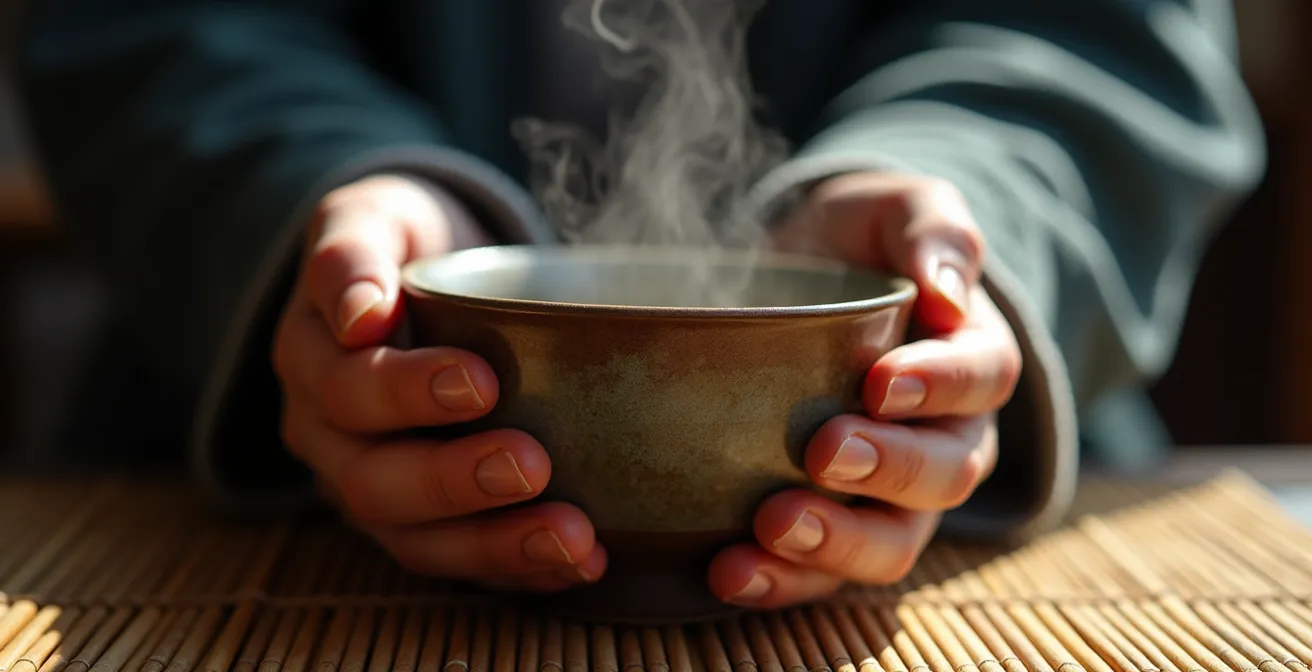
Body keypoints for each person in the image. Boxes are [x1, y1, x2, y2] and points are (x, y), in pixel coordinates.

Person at [15, 0, 1264, 608]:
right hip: (255, 542)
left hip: (965, 539)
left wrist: (951, 202)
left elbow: (1109, 31)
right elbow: (150, 21)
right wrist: (326, 199)